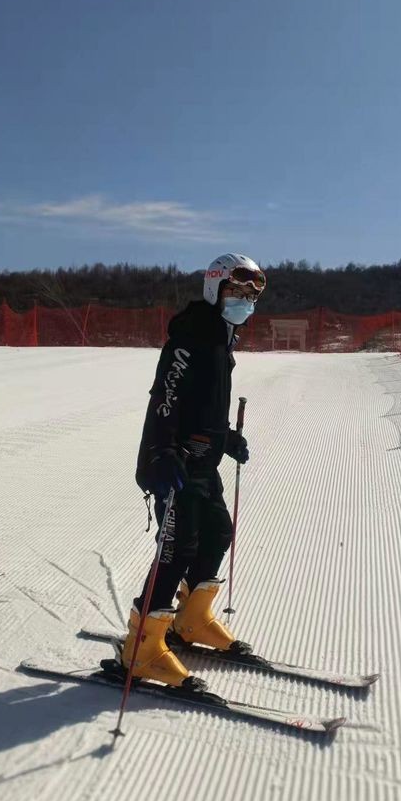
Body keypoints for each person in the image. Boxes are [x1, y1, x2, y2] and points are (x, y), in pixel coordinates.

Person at [119, 253, 266, 687]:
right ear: (215, 289)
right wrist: (163, 450)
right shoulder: (190, 336)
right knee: (176, 549)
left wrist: (224, 436)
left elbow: (201, 404)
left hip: (203, 461)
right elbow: (166, 396)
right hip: (173, 462)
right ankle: (141, 649)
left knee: (219, 533)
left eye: (252, 296)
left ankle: (191, 620)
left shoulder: (222, 337)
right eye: (237, 292)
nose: (245, 302)